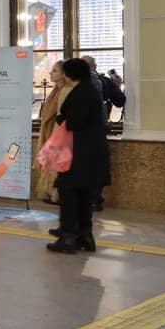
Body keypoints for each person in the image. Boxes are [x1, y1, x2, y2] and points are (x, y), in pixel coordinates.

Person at [48, 58, 109, 253]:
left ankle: (67, 238)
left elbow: (75, 122)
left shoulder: (80, 94)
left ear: (69, 74)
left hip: (77, 154)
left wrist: (62, 117)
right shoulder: (90, 90)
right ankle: (85, 236)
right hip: (91, 153)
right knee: (84, 196)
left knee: (68, 195)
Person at [83, 55, 125, 210]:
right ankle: (95, 199)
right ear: (95, 66)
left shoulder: (73, 82)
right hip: (98, 130)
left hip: (78, 131)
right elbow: (120, 101)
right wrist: (117, 85)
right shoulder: (104, 82)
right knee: (97, 164)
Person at [34, 61, 66, 203]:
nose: (51, 73)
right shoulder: (55, 91)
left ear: (63, 74)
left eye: (55, 71)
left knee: (56, 164)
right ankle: (49, 192)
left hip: (58, 132)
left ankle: (57, 194)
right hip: (50, 131)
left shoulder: (64, 91)